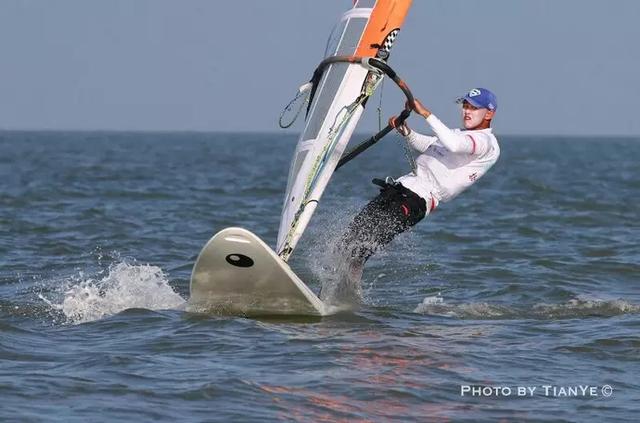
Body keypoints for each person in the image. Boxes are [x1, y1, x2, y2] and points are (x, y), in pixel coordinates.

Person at [336, 87, 501, 278]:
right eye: (465, 106)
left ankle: (347, 290)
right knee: (350, 237)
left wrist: (425, 113)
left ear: (489, 113)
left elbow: (454, 145)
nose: (466, 111)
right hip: (398, 188)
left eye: (473, 108)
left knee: (363, 246)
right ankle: (332, 283)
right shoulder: (459, 133)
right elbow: (429, 146)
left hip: (417, 201)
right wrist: (406, 131)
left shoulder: (486, 143)